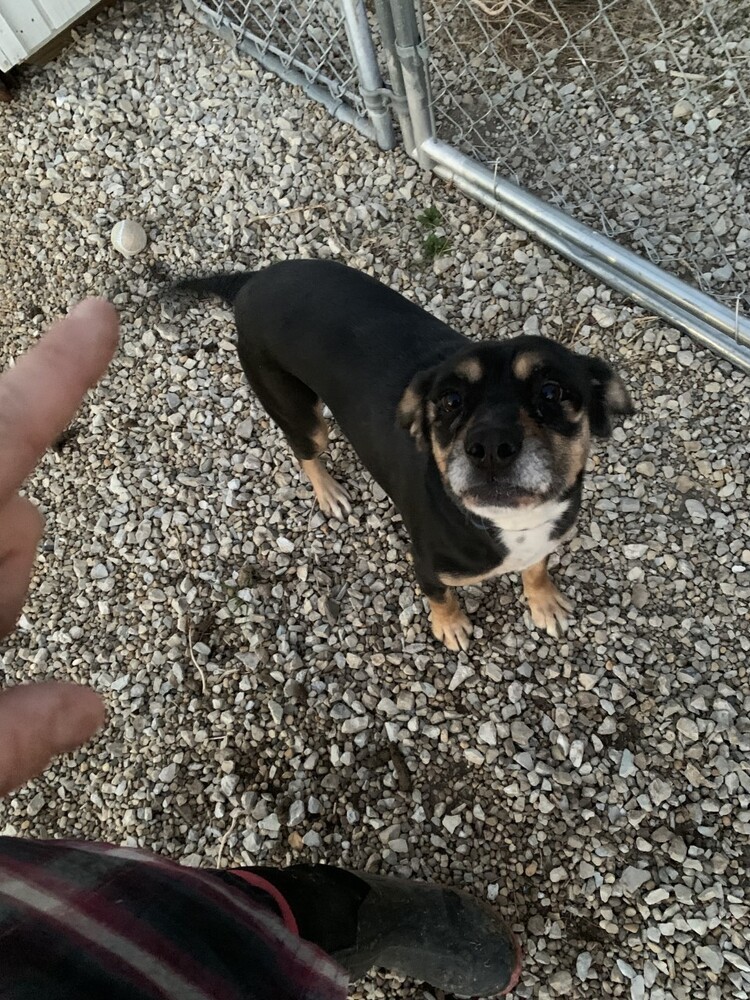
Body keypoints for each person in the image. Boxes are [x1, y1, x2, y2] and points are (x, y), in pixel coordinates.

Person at [0, 300, 522, 998]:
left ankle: (343, 915)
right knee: (222, 926)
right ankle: (332, 920)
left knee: (239, 913)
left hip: (50, 908)